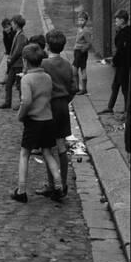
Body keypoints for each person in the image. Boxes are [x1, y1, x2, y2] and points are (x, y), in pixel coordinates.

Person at [12, 43, 64, 203]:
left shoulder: (27, 79)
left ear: (25, 61)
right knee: (48, 153)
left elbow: (26, 101)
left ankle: (21, 190)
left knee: (24, 154)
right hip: (48, 120)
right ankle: (59, 185)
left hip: (34, 121)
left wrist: (20, 115)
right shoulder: (47, 77)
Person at [36, 29, 78, 198]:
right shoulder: (67, 64)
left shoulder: (44, 64)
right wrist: (66, 99)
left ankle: (52, 184)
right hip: (62, 106)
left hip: (49, 106)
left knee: (47, 147)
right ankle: (64, 183)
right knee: (61, 146)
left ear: (47, 45)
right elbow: (74, 88)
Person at [99, 9, 131, 115]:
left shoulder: (126, 32)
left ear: (122, 20)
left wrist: (114, 61)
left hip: (124, 65)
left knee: (125, 88)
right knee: (115, 85)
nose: (115, 22)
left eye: (116, 20)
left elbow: (121, 50)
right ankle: (110, 107)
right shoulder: (122, 31)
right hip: (121, 64)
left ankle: (127, 112)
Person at [0, 14, 27, 109]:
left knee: (19, 85)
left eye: (13, 23)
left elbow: (18, 51)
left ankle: (22, 103)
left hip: (18, 64)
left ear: (17, 24)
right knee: (8, 84)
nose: (12, 25)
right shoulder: (17, 34)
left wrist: (11, 59)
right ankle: (7, 102)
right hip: (13, 64)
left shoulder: (21, 36)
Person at [72, 11, 93, 95]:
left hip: (81, 53)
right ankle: (78, 88)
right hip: (77, 52)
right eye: (79, 20)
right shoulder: (79, 29)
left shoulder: (85, 31)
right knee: (77, 70)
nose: (80, 22)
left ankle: (83, 89)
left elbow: (89, 43)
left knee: (78, 70)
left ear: (86, 21)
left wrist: (82, 50)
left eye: (82, 20)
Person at [0, 17, 15, 85]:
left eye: (7, 27)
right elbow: (6, 42)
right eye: (4, 27)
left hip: (15, 50)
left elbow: (15, 42)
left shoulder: (14, 31)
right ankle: (7, 78)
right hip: (10, 51)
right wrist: (7, 52)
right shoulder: (5, 33)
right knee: (9, 63)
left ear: (10, 25)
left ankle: (9, 79)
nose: (5, 29)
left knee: (11, 64)